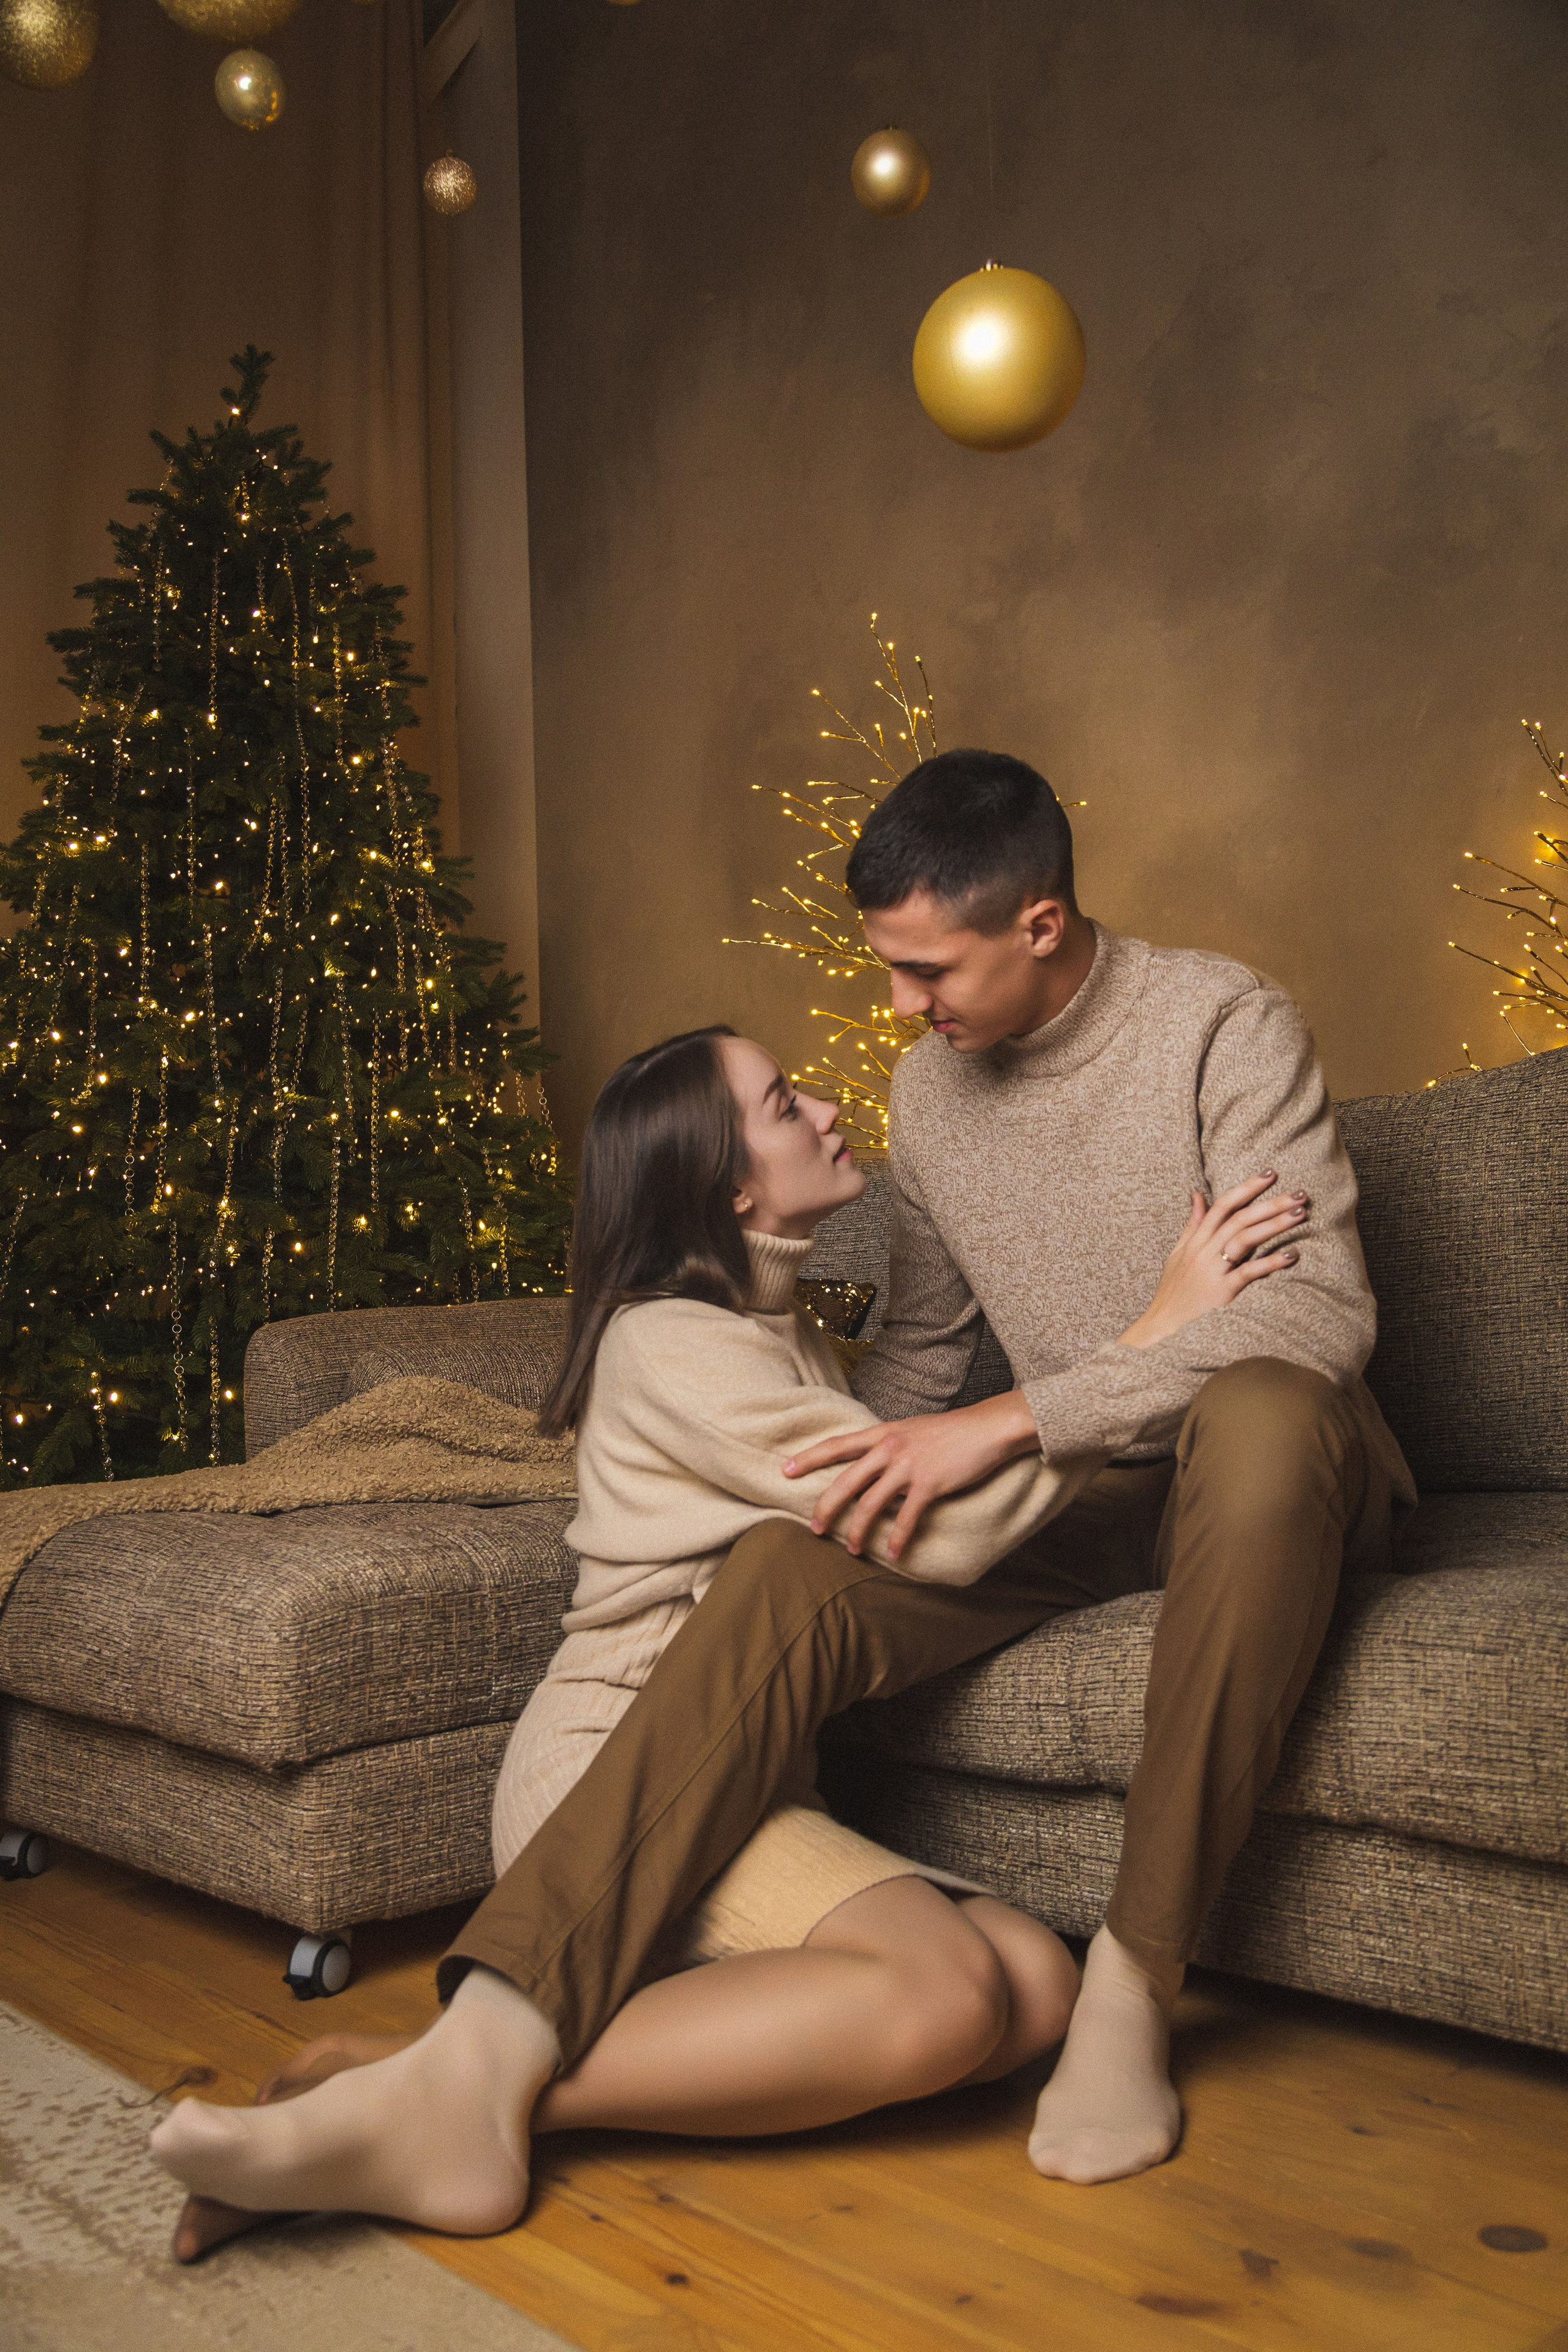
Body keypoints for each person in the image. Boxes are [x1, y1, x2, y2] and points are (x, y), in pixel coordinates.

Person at [154, 1010, 1301, 2250]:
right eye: (782, 1103)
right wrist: (1149, 1335)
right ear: (728, 1184)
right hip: (624, 1764)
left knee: (1034, 1987)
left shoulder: (783, 1331)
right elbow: (941, 1539)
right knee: (946, 1994)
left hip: (746, 1772)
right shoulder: (672, 1345)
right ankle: (448, 2107)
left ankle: (421, 2091)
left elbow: (903, 1501)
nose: (823, 1109)